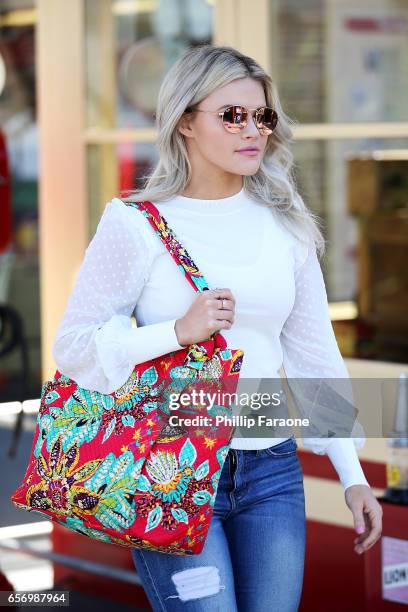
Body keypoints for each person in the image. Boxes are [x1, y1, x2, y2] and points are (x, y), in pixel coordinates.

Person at [52, 45, 382, 611]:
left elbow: (313, 359)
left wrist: (352, 474)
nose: (252, 129)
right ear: (184, 120)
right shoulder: (135, 223)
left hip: (271, 472)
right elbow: (73, 347)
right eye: (232, 115)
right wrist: (175, 333)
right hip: (171, 471)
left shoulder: (287, 224)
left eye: (263, 116)